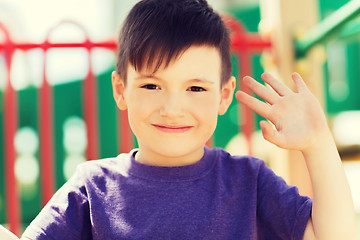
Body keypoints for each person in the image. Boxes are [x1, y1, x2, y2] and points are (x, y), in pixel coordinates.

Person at [21, 0, 356, 239]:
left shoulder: (248, 181)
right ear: (121, 90)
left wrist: (318, 144)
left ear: (224, 95)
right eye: (151, 85)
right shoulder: (92, 189)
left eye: (195, 87)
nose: (172, 108)